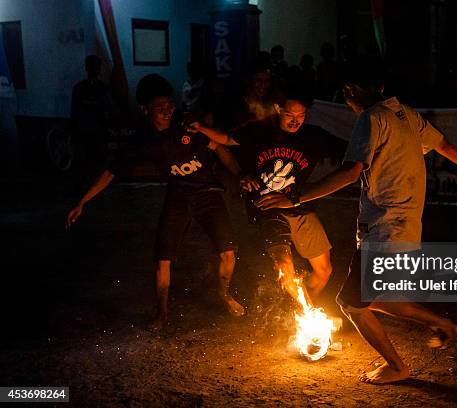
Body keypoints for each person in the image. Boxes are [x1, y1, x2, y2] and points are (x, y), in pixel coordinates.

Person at [256, 60, 457, 384]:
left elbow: (351, 171)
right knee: (377, 297)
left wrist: (295, 198)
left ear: (353, 91)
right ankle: (444, 325)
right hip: (405, 223)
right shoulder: (407, 115)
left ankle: (397, 366)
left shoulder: (371, 118)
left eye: (348, 91)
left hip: (385, 224)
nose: (347, 97)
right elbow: (445, 146)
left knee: (352, 305)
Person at [66, 74, 250, 331]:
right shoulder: (141, 141)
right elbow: (110, 172)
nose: (167, 110)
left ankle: (224, 294)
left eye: (169, 104)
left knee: (228, 252)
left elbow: (221, 146)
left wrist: (240, 173)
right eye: (159, 107)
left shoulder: (186, 125)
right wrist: (82, 202)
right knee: (162, 258)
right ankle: (162, 312)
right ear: (144, 109)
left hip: (208, 191)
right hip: (178, 194)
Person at [189, 87, 346, 306]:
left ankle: (298, 312)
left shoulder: (314, 136)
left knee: (324, 270)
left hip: (299, 205)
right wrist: (201, 128)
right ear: (277, 109)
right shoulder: (259, 131)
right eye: (290, 114)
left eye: (301, 115)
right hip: (266, 206)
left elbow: (349, 153)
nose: (295, 120)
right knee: (284, 264)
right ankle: (308, 316)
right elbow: (225, 138)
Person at [70, 54, 113, 180]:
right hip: (87, 131)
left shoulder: (102, 88)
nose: (94, 70)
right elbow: (75, 111)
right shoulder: (81, 88)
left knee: (95, 162)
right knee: (87, 162)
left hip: (96, 131)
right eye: (92, 67)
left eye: (96, 67)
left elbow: (107, 109)